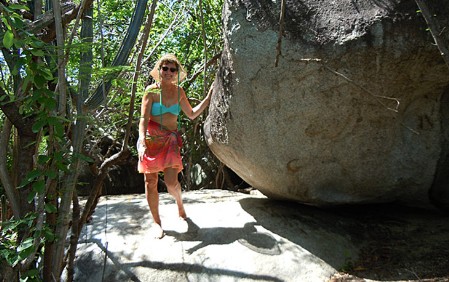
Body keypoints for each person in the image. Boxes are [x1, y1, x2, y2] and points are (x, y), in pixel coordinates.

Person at [137, 54, 213, 238]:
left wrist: (209, 97)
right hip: (151, 140)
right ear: (159, 70)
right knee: (150, 182)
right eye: (165, 68)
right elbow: (144, 119)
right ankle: (157, 222)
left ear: (177, 73)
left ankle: (180, 205)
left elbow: (192, 114)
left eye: (173, 69)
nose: (169, 72)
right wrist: (141, 141)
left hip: (170, 141)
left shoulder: (179, 92)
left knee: (172, 183)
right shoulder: (151, 91)